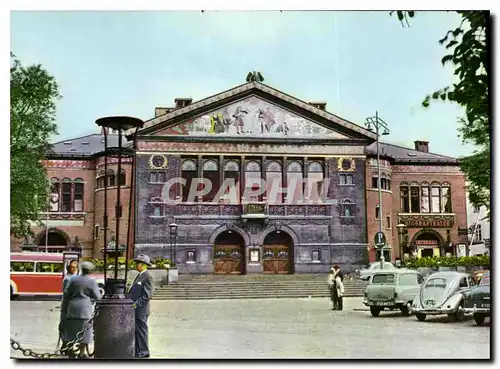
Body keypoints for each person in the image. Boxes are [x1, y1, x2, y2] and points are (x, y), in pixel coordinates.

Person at [60, 261, 101, 358]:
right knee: (85, 331)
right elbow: (97, 297)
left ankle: (71, 350)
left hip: (72, 307)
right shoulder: (92, 281)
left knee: (71, 329)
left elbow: (66, 294)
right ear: (90, 271)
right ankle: (82, 352)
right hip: (85, 308)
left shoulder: (73, 279)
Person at [128, 254, 154, 359]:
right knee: (137, 331)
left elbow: (147, 295)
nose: (136, 265)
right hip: (137, 310)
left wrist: (136, 304)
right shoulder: (140, 275)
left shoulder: (147, 276)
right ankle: (138, 351)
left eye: (137, 263)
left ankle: (144, 352)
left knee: (142, 331)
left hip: (141, 310)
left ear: (142, 265)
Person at [59, 259, 79, 354]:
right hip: (67, 306)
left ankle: (69, 345)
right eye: (72, 267)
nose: (73, 269)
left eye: (75, 267)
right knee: (65, 325)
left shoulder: (77, 277)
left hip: (74, 306)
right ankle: (65, 345)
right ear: (69, 268)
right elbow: (66, 293)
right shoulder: (68, 279)